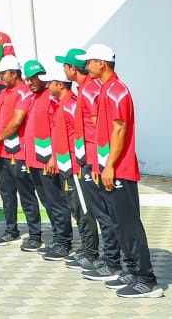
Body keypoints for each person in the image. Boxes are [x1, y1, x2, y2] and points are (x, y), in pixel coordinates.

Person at [85, 44, 162, 298]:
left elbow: (119, 131)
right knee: (118, 224)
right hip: (109, 169)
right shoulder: (106, 89)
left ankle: (146, 279)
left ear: (102, 64)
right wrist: (98, 165)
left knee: (130, 226)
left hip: (121, 170)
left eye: (90, 62)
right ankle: (131, 271)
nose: (87, 67)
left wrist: (109, 166)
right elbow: (103, 134)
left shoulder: (117, 91)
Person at [55, 48, 111, 273]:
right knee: (87, 208)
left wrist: (96, 163)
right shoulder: (84, 90)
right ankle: (94, 252)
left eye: (64, 67)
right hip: (84, 160)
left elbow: (99, 129)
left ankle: (100, 256)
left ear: (71, 68)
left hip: (92, 162)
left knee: (94, 211)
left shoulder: (89, 91)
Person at [0, 56, 43, 249]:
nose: (1, 76)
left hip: (18, 152)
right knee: (6, 193)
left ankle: (35, 235)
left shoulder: (24, 92)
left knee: (26, 194)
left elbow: (17, 121)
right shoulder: (4, 93)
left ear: (14, 73)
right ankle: (11, 229)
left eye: (4, 73)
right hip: (3, 151)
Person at [34, 68, 75, 263]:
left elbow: (59, 133)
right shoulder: (55, 102)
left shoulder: (63, 103)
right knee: (49, 201)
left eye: (51, 83)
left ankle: (63, 241)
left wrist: (53, 157)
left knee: (58, 202)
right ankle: (59, 238)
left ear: (60, 84)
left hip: (56, 160)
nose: (48, 85)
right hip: (43, 157)